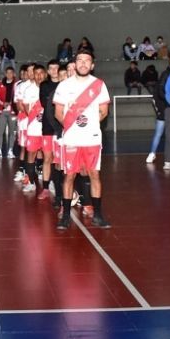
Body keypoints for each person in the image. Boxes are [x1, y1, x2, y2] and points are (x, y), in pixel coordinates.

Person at [53, 50, 111, 229]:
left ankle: (98, 214)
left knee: (94, 175)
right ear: (75, 64)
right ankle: (65, 216)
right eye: (80, 60)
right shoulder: (63, 86)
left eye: (87, 61)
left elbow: (103, 112)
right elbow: (58, 113)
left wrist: (89, 125)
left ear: (92, 65)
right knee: (69, 176)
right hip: (71, 139)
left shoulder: (99, 85)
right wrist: (72, 126)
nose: (83, 63)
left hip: (92, 139)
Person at [148, 51, 170, 166]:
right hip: (165, 107)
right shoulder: (166, 74)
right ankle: (152, 153)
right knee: (159, 131)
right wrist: (164, 107)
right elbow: (160, 92)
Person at [21, 64, 46, 194]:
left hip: (47, 129)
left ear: (45, 74)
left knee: (48, 156)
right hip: (34, 129)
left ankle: (48, 181)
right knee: (31, 154)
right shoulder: (28, 90)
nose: (39, 76)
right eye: (36, 73)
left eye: (42, 73)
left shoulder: (49, 88)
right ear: (33, 75)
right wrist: (34, 117)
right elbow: (26, 108)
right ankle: (31, 182)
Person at [39, 60, 62, 201]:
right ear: (48, 71)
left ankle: (60, 188)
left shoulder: (65, 85)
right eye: (51, 68)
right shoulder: (44, 85)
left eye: (56, 68)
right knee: (47, 158)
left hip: (61, 128)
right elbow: (44, 102)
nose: (54, 71)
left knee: (60, 161)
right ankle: (46, 188)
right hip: (47, 126)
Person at [0, 67, 17, 159]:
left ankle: (10, 151)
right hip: (2, 111)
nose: (9, 74)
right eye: (7, 73)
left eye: (11, 73)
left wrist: (13, 103)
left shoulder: (17, 84)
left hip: (13, 112)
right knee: (0, 131)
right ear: (5, 74)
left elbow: (19, 96)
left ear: (13, 74)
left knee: (12, 132)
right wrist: (3, 103)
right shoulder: (0, 84)